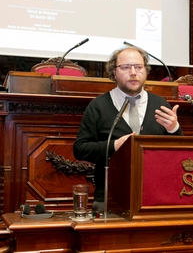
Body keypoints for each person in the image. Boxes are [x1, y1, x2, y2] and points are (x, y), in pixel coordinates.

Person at [73, 46, 183, 212]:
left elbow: (178, 154)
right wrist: (115, 146)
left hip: (156, 198)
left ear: (145, 71)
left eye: (138, 67)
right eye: (125, 67)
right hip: (110, 199)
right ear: (114, 72)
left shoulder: (160, 105)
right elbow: (80, 149)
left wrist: (174, 129)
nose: (133, 72)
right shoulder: (99, 106)